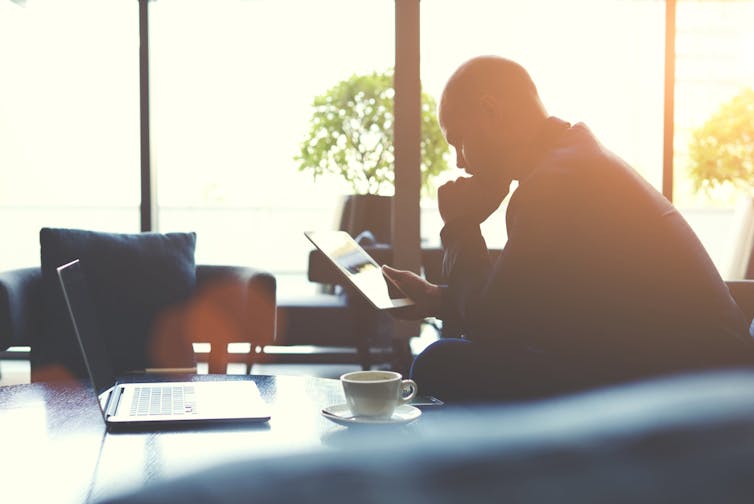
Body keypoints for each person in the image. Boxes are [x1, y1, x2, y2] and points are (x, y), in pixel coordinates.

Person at [382, 55, 754, 402]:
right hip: (689, 365)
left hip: (688, 386)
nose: (459, 162)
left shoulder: (555, 183)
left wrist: (462, 225)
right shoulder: (570, 158)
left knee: (440, 363)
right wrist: (437, 299)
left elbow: (493, 331)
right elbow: (525, 307)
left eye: (458, 142)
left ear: (491, 111)